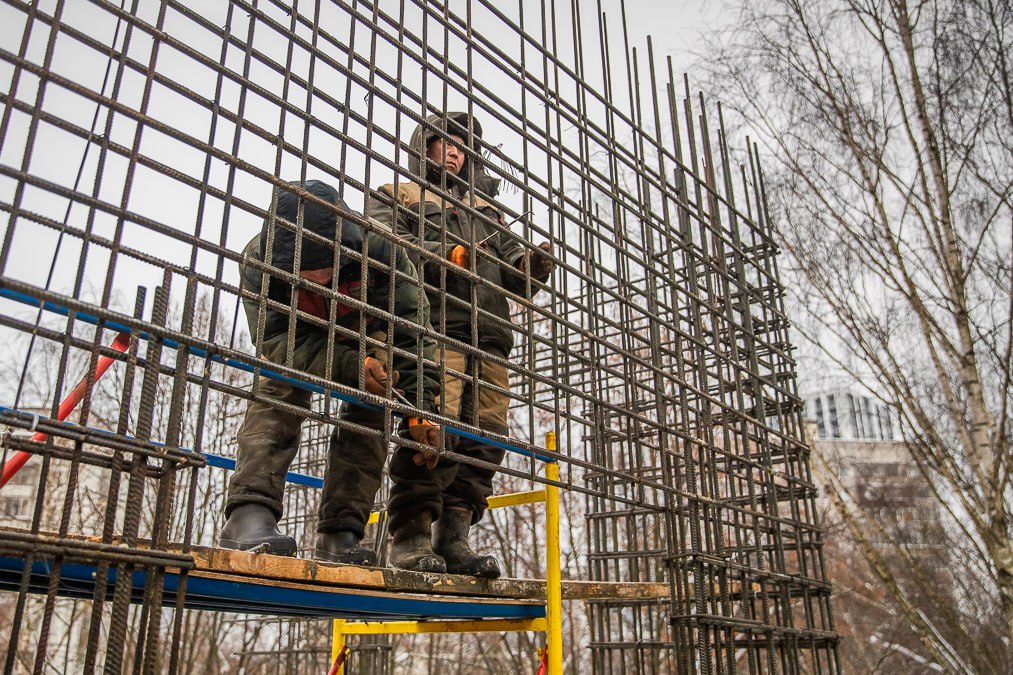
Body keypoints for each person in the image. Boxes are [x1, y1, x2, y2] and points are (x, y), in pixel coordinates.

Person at [366, 113, 553, 578]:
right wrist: (446, 255)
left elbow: (515, 271)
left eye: (462, 145)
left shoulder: (485, 209)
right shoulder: (400, 195)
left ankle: (454, 536)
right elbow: (388, 245)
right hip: (434, 327)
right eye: (444, 141)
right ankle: (409, 534)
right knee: (431, 427)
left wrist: (532, 263)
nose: (454, 150)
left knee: (484, 437)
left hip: (489, 335)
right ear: (422, 147)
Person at [219, 179, 441, 565]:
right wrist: (349, 366)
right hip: (297, 338)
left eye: (326, 268)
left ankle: (340, 533)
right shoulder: (258, 261)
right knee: (277, 387)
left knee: (375, 403)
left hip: (365, 332)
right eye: (304, 272)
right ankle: (248, 514)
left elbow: (412, 328)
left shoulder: (384, 249)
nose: (318, 281)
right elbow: (273, 342)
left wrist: (420, 408)